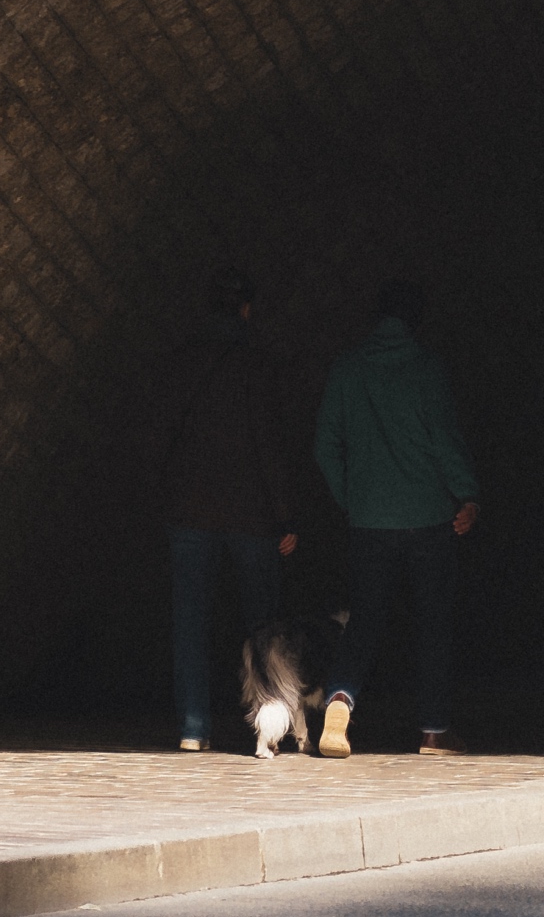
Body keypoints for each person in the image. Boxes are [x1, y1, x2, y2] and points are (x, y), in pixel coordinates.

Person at [313, 278, 478, 757]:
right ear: (416, 319)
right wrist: (467, 494)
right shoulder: (427, 367)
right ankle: (433, 731)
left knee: (364, 619)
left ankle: (340, 701)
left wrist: (352, 498)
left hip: (368, 521)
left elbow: (325, 446)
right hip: (428, 518)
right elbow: (445, 439)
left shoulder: (346, 369)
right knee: (431, 622)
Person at [161, 269, 297, 750]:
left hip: (188, 510)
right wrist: (285, 515)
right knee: (262, 626)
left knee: (190, 622)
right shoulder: (259, 364)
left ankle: (193, 728)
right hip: (250, 514)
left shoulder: (179, 362)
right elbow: (269, 445)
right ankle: (267, 727)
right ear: (246, 309)